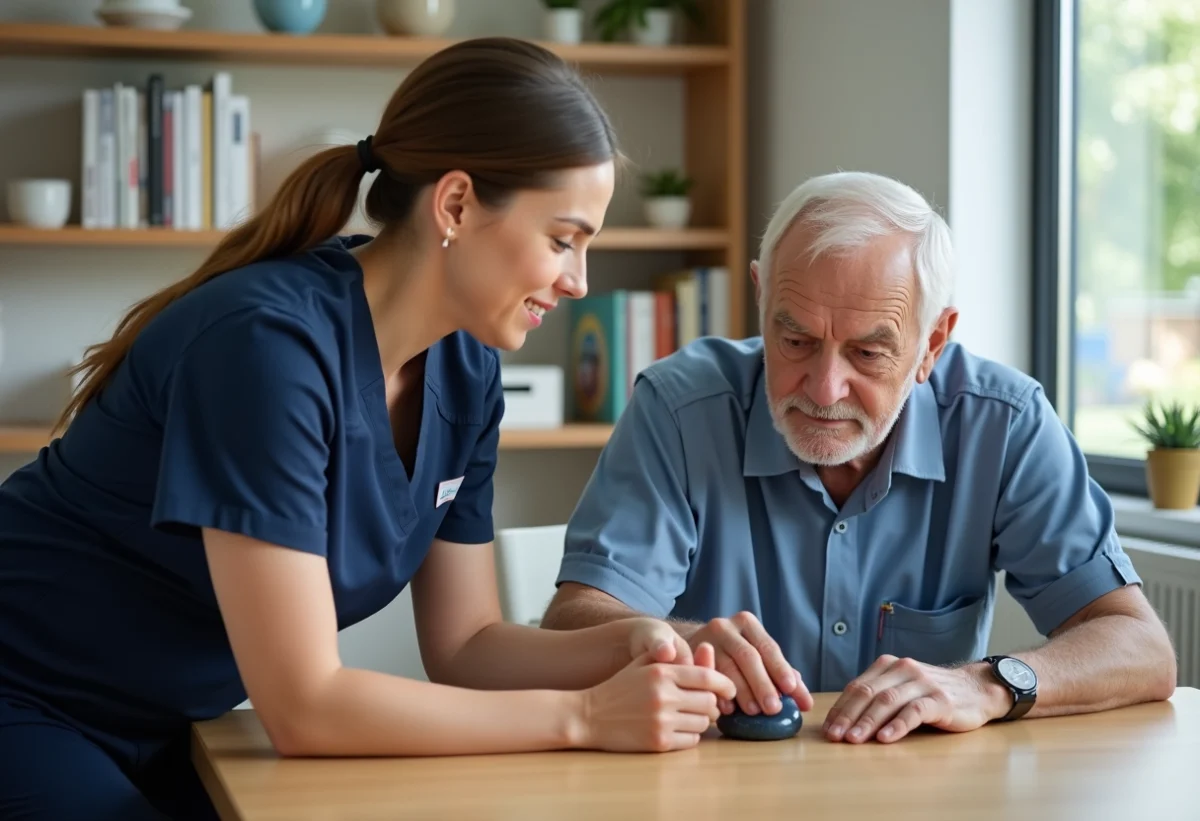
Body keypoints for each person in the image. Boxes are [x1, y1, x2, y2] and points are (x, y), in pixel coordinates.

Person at [0, 37, 736, 821]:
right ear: (454, 204)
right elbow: (307, 706)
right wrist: (584, 716)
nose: (577, 280)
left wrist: (639, 640)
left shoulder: (466, 368)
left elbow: (467, 644)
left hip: (181, 728)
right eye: (562, 239)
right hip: (28, 696)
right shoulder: (266, 350)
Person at [541, 170, 1178, 745]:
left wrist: (988, 685)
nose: (823, 389)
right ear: (761, 299)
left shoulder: (1002, 423)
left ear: (932, 341)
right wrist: (678, 640)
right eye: (795, 340)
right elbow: (574, 622)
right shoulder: (681, 411)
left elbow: (1141, 647)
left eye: (868, 354)